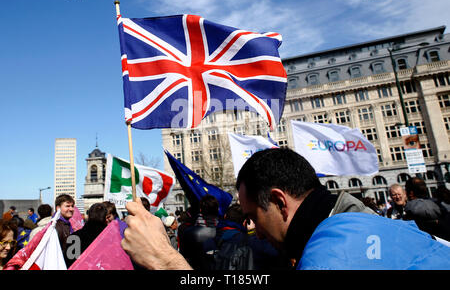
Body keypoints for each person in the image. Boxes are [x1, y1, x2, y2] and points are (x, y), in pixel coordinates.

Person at [120, 148, 450, 269]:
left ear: (279, 202)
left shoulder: (330, 260)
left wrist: (165, 262)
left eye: (253, 217)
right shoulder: (372, 224)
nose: (255, 230)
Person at [64, 203, 108, 268]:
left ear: (88, 215)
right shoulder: (109, 238)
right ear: (106, 218)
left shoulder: (75, 237)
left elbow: (69, 264)